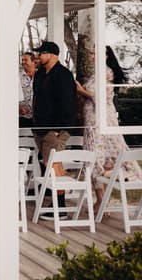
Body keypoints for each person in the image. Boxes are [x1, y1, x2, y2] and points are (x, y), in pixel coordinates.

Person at [77, 46, 142, 213]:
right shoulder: (96, 74)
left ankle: (101, 200)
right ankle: (101, 200)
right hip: (91, 121)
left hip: (101, 120)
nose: (92, 55)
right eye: (92, 53)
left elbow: (101, 98)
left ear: (105, 56)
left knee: (96, 156)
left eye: (94, 52)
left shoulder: (106, 73)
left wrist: (81, 90)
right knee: (94, 158)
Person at [32, 41, 77, 220]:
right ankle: (54, 203)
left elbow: (68, 102)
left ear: (51, 54)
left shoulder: (64, 75)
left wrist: (60, 128)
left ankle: (61, 207)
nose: (38, 57)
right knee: (46, 164)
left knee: (55, 164)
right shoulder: (41, 74)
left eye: (41, 53)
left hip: (55, 129)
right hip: (40, 127)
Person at [19, 52, 36, 128]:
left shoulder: (41, 75)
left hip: (38, 118)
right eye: (22, 60)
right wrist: (18, 107)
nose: (23, 62)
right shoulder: (17, 77)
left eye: (25, 60)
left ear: (33, 61)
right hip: (22, 118)